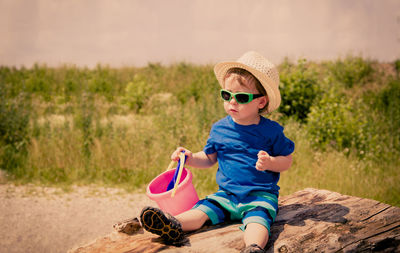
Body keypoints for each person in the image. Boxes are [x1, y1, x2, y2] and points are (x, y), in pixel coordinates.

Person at [140, 51, 295, 253]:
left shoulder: (271, 131)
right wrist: (189, 157)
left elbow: (287, 160)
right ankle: (171, 224)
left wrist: (271, 163)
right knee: (201, 210)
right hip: (226, 195)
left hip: (259, 195)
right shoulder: (219, 129)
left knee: (257, 221)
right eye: (226, 94)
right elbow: (208, 158)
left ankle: (253, 247)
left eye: (240, 97)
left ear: (261, 102)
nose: (232, 101)